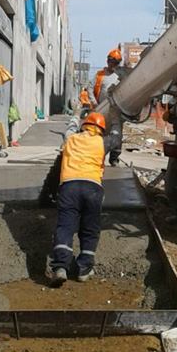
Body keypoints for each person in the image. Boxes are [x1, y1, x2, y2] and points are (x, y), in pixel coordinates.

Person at [44, 111, 120, 286]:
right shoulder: (103, 142)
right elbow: (116, 138)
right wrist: (116, 119)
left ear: (84, 126)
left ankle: (60, 267)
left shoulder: (71, 138)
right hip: (93, 188)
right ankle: (84, 269)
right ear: (101, 129)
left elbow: (70, 126)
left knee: (65, 226)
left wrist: (76, 114)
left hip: (69, 186)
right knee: (90, 228)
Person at [92, 48, 125, 165]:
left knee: (116, 134)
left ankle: (114, 158)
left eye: (115, 63)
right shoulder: (100, 75)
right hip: (101, 110)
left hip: (116, 111)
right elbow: (90, 89)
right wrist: (94, 103)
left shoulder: (121, 76)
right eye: (111, 62)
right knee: (99, 134)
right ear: (108, 61)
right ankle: (98, 156)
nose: (112, 65)